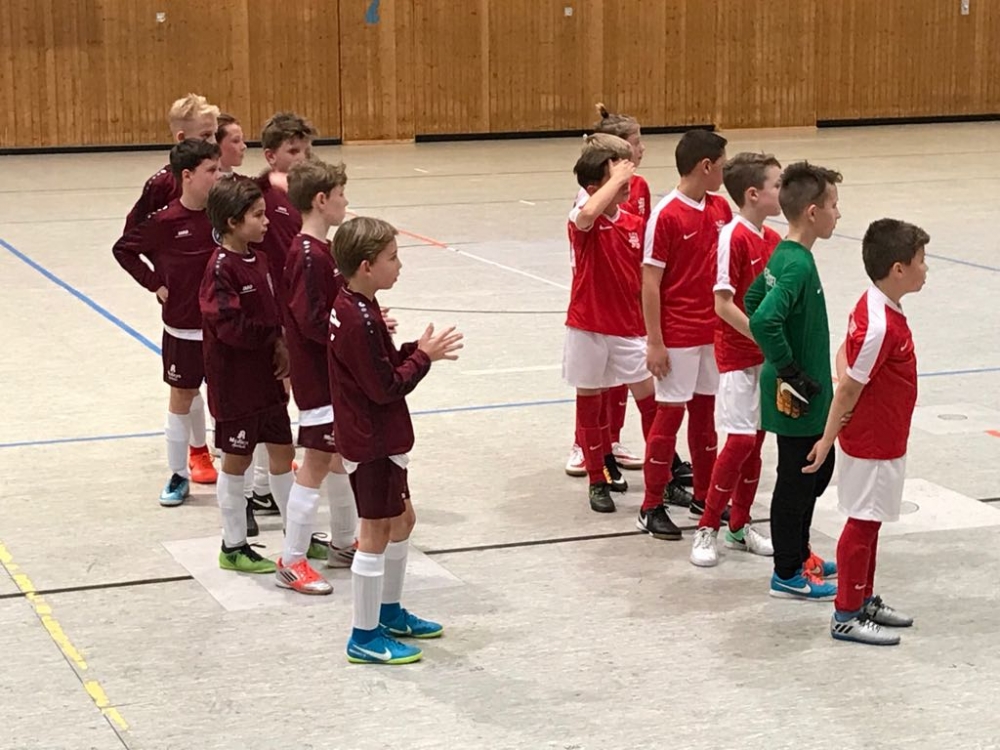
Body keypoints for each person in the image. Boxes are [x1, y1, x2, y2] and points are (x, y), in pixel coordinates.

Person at [329, 216, 463, 664]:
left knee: (403, 520)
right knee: (375, 531)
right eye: (392, 257)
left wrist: (411, 349)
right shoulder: (358, 319)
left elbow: (377, 364)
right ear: (367, 266)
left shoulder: (358, 305)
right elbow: (385, 386)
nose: (400, 265)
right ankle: (364, 636)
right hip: (371, 440)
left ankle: (388, 611)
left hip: (376, 434)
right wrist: (423, 358)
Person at [803, 218, 928, 644]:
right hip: (872, 442)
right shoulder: (879, 325)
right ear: (898, 269)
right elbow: (849, 388)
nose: (925, 268)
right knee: (861, 524)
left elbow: (845, 356)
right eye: (920, 260)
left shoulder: (877, 305)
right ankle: (845, 614)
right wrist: (826, 440)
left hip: (886, 436)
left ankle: (862, 599)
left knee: (871, 522)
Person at [564, 103, 694, 490]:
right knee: (593, 392)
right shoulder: (585, 207)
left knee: (647, 394)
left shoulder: (634, 215)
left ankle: (661, 469)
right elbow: (587, 215)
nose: (640, 152)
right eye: (634, 145)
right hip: (590, 318)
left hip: (627, 320)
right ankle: (594, 463)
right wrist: (618, 176)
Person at [744, 161, 843, 600]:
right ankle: (786, 572)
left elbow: (752, 298)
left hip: (805, 389)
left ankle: (800, 553)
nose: (838, 214)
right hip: (797, 392)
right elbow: (763, 318)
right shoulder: (797, 265)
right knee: (797, 479)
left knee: (817, 471)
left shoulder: (784, 254)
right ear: (812, 212)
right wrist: (788, 368)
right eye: (834, 205)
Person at [112, 139, 222, 505]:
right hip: (183, 327)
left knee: (228, 396)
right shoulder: (164, 221)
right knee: (181, 396)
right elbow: (123, 249)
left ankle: (239, 472)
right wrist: (155, 284)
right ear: (187, 176)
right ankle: (178, 474)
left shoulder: (224, 216)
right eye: (211, 171)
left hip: (223, 327)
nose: (218, 176)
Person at [638, 129, 732, 541]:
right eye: (722, 166)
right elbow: (650, 282)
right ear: (705, 166)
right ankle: (650, 505)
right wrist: (655, 341)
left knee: (705, 416)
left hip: (712, 331)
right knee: (669, 417)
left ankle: (705, 498)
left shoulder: (721, 208)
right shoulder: (666, 215)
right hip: (678, 334)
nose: (725, 173)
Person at [689, 152, 782, 566]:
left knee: (756, 443)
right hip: (736, 357)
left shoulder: (773, 240)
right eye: (777, 185)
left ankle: (740, 527)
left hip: (766, 359)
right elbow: (723, 304)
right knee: (740, 441)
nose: (783, 191)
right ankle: (707, 526)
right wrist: (761, 335)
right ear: (753, 193)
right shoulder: (733, 236)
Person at [199, 178, 295, 574]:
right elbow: (230, 327)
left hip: (268, 380)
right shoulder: (220, 268)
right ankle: (233, 544)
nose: (266, 221)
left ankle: (297, 535)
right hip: (236, 384)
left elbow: (274, 310)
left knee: (284, 454)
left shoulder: (262, 259)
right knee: (236, 462)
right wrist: (272, 337)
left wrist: (283, 341)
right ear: (233, 222)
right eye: (257, 215)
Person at [276, 158, 357, 596]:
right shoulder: (308, 254)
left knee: (340, 455)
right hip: (318, 376)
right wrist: (350, 334)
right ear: (322, 200)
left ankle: (343, 543)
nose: (346, 202)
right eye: (341, 195)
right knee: (316, 462)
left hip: (331, 373)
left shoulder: (320, 251)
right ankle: (291, 561)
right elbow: (311, 321)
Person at [564, 134, 657, 513]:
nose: (626, 184)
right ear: (593, 188)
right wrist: (616, 178)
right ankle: (596, 479)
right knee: (590, 404)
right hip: (587, 326)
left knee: (652, 403)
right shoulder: (581, 219)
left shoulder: (635, 224)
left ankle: (661, 479)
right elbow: (588, 214)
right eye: (616, 179)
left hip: (629, 328)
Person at [245, 111, 317, 518]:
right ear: (271, 156)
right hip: (278, 311)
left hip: (295, 308)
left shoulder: (302, 197)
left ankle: (265, 483)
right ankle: (260, 485)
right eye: (293, 151)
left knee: (281, 397)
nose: (302, 158)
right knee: (275, 398)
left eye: (306, 150)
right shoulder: (266, 199)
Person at [124, 93, 219, 231]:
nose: (213, 142)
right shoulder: (162, 184)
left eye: (215, 134)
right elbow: (134, 231)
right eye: (206, 135)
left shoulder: (219, 176)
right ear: (182, 138)